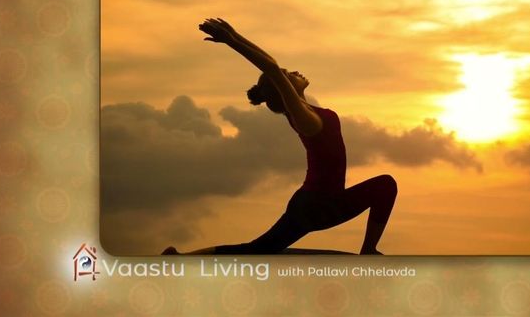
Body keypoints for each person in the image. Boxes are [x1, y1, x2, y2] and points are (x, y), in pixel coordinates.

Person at [162, 18, 398, 255]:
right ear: (284, 88)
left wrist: (235, 33)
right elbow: (272, 69)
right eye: (287, 76)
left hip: (319, 202)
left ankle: (180, 258)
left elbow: (274, 70)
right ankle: (369, 249)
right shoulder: (305, 119)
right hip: (317, 205)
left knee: (258, 249)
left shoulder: (305, 114)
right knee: (385, 185)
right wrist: (231, 41)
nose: (293, 72)